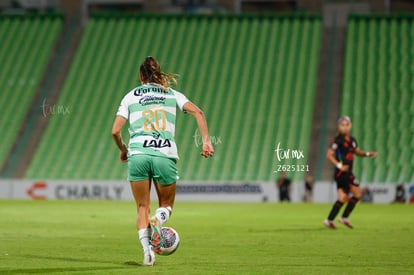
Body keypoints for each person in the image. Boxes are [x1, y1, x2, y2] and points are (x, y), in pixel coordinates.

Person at [111, 56, 214, 266]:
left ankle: (147, 253)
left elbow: (115, 131)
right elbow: (198, 112)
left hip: (138, 154)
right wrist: (206, 142)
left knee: (142, 207)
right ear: (158, 74)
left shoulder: (130, 96)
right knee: (166, 204)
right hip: (164, 154)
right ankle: (160, 217)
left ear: (141, 76)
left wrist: (123, 149)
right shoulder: (172, 93)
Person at [323, 116, 377, 229]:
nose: (345, 127)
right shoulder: (337, 141)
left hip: (346, 173)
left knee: (342, 198)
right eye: (342, 125)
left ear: (350, 126)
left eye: (347, 124)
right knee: (358, 194)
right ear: (338, 127)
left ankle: (329, 220)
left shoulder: (352, 140)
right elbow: (329, 155)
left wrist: (367, 154)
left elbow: (357, 152)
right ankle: (344, 217)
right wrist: (339, 165)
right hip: (343, 173)